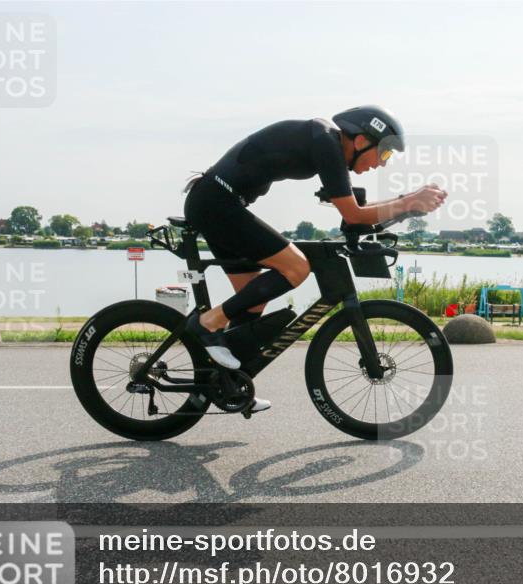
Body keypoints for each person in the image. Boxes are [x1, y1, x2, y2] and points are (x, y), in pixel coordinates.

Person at [182, 105, 447, 410]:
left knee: (252, 300)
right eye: (384, 154)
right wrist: (408, 201)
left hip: (218, 203)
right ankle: (208, 324)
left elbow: (356, 215)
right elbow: (353, 214)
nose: (382, 164)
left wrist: (408, 202)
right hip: (217, 204)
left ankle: (226, 381)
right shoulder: (326, 144)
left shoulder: (327, 145)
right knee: (296, 267)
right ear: (361, 140)